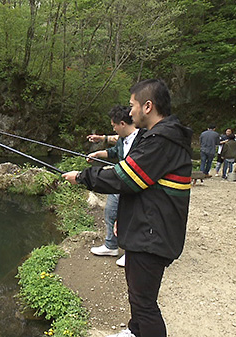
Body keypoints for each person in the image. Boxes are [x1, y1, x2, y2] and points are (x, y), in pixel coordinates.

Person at [63, 79, 192, 337]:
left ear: (147, 106)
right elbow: (140, 185)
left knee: (145, 304)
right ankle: (135, 331)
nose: (129, 112)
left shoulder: (161, 141)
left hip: (153, 235)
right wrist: (126, 218)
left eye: (132, 106)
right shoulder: (155, 136)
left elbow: (126, 178)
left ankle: (141, 329)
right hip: (147, 228)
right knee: (137, 294)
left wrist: (82, 177)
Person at [86, 106, 142, 268]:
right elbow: (113, 153)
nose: (113, 129)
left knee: (129, 217)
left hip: (134, 186)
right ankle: (111, 245)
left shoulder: (142, 140)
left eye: (114, 126)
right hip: (121, 183)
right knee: (110, 212)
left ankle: (130, 252)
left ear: (122, 124)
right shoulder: (123, 140)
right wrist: (97, 154)